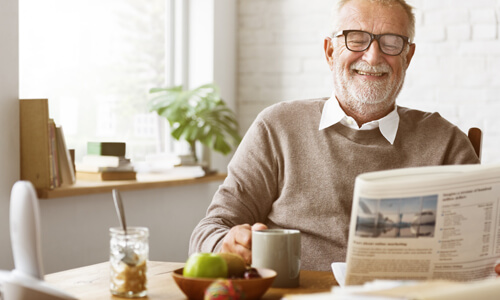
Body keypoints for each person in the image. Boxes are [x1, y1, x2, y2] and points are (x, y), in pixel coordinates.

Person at [189, 0, 480, 271]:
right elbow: (209, 231)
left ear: (408, 56)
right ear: (330, 51)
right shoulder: (277, 127)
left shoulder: (446, 143)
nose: (373, 56)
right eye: (356, 38)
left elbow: (483, 246)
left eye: (392, 42)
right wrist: (227, 243)